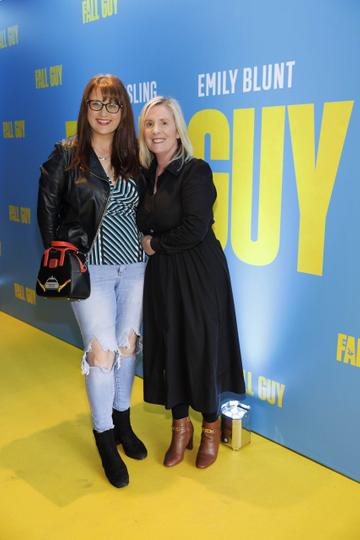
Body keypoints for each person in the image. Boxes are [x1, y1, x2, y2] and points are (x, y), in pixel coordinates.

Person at [37, 74, 147, 488]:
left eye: (113, 105)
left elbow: (144, 211)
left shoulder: (133, 157)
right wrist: (61, 260)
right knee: (101, 356)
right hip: (89, 273)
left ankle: (123, 421)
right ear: (85, 109)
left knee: (127, 347)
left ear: (124, 111)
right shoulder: (66, 155)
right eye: (96, 104)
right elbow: (46, 212)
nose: (104, 113)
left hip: (134, 269)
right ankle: (103, 437)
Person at [136, 96, 245, 469]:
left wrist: (155, 243)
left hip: (198, 273)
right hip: (163, 275)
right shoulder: (145, 174)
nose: (156, 131)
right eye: (150, 124)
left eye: (164, 123)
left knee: (201, 347)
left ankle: (211, 429)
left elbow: (196, 228)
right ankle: (179, 428)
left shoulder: (195, 170)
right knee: (170, 347)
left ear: (178, 129)